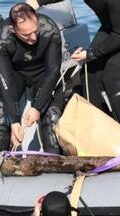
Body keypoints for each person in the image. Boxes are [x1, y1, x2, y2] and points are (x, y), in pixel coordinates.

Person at [30, 0, 120, 135]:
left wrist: (91, 53)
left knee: (113, 76)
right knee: (89, 74)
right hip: (112, 27)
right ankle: (99, 126)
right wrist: (37, 2)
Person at [0, 3, 63, 152]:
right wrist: (14, 120)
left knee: (50, 117)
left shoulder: (49, 29)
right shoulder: (3, 38)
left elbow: (53, 71)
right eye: (26, 35)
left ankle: (53, 163)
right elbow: (4, 79)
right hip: (15, 75)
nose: (33, 37)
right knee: (2, 118)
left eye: (35, 31)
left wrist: (37, 107)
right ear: (12, 29)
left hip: (42, 73)